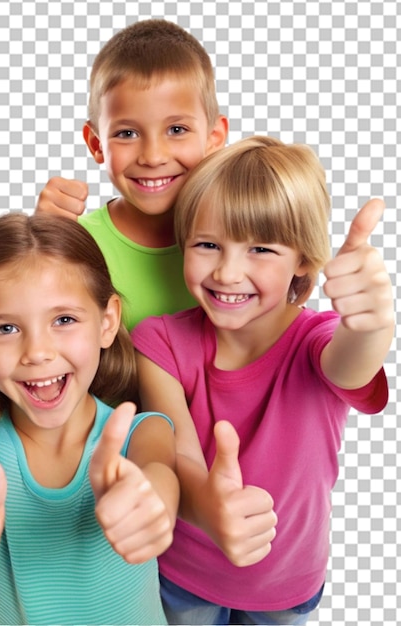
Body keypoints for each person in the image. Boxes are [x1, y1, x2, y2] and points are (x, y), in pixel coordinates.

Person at [132, 135, 393, 625]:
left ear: (303, 262)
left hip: (287, 586)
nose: (228, 272)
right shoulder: (159, 341)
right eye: (207, 245)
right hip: (184, 576)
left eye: (260, 249)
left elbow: (351, 361)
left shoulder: (319, 341)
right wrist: (208, 509)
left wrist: (372, 323)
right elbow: (175, 454)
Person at [0, 212, 180, 625]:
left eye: (64, 320)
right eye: (5, 328)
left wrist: (151, 504)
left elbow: (158, 473)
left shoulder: (140, 431)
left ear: (107, 322)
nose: (37, 352)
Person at [37, 19, 229, 329]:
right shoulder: (78, 243)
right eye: (127, 133)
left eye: (177, 129)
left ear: (214, 137)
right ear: (96, 144)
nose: (153, 157)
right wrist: (40, 245)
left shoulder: (239, 237)